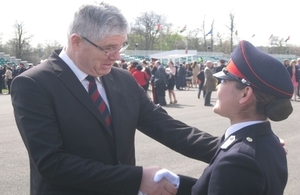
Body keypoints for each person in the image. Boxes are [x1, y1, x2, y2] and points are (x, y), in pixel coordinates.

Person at [10, 3, 220, 195]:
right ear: (76, 41)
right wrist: (136, 179)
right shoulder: (34, 84)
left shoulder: (123, 79)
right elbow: (52, 163)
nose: (117, 56)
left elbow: (166, 127)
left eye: (121, 47)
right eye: (109, 48)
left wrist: (228, 150)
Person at [192, 40, 293, 195]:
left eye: (224, 80)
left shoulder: (237, 161)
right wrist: (173, 182)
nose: (218, 86)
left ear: (245, 94)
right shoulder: (268, 141)